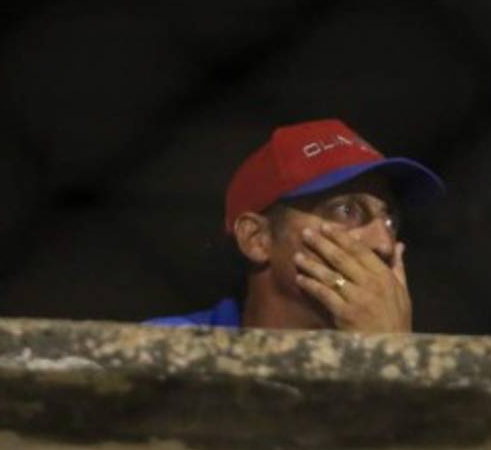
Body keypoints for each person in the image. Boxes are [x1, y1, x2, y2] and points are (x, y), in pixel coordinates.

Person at [148, 118, 443, 331]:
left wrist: (394, 357)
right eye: (346, 210)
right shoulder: (165, 346)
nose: (384, 243)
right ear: (256, 239)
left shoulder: (436, 365)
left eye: (390, 219)